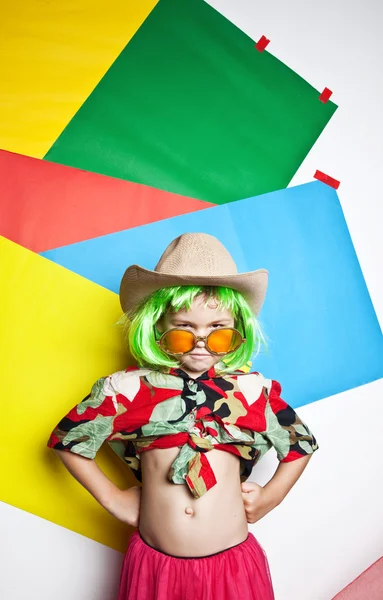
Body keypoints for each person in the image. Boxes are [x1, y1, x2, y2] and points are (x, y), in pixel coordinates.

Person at [47, 232, 318, 600]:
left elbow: (300, 444)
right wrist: (113, 499)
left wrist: (271, 496)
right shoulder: (127, 389)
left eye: (218, 331)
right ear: (157, 326)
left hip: (231, 565)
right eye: (184, 330)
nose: (202, 343)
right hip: (156, 565)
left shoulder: (253, 390)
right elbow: (69, 440)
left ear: (238, 329)